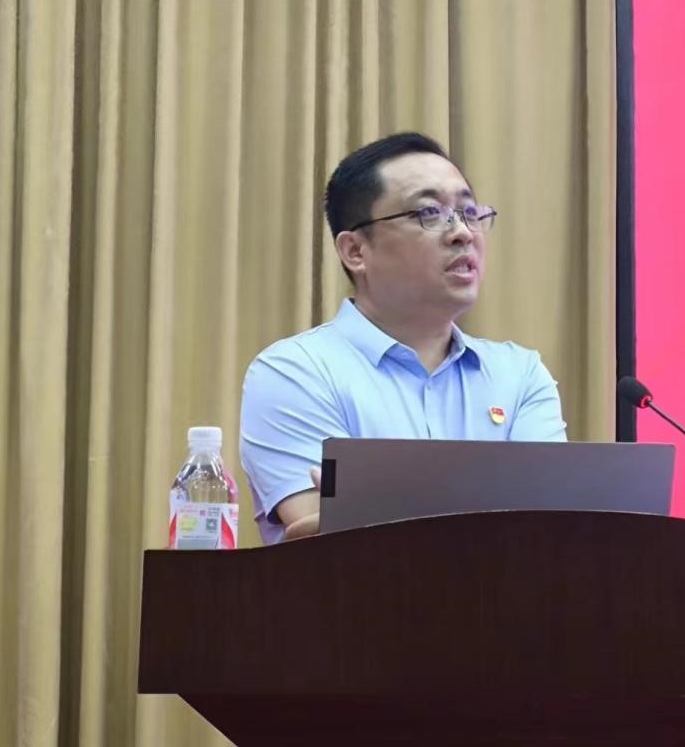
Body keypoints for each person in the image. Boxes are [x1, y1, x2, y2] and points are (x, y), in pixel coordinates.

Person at [239, 132, 567, 544]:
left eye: (469, 212)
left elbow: (551, 534)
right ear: (355, 251)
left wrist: (378, 513)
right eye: (429, 213)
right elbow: (330, 549)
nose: (463, 232)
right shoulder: (295, 373)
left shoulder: (520, 376)